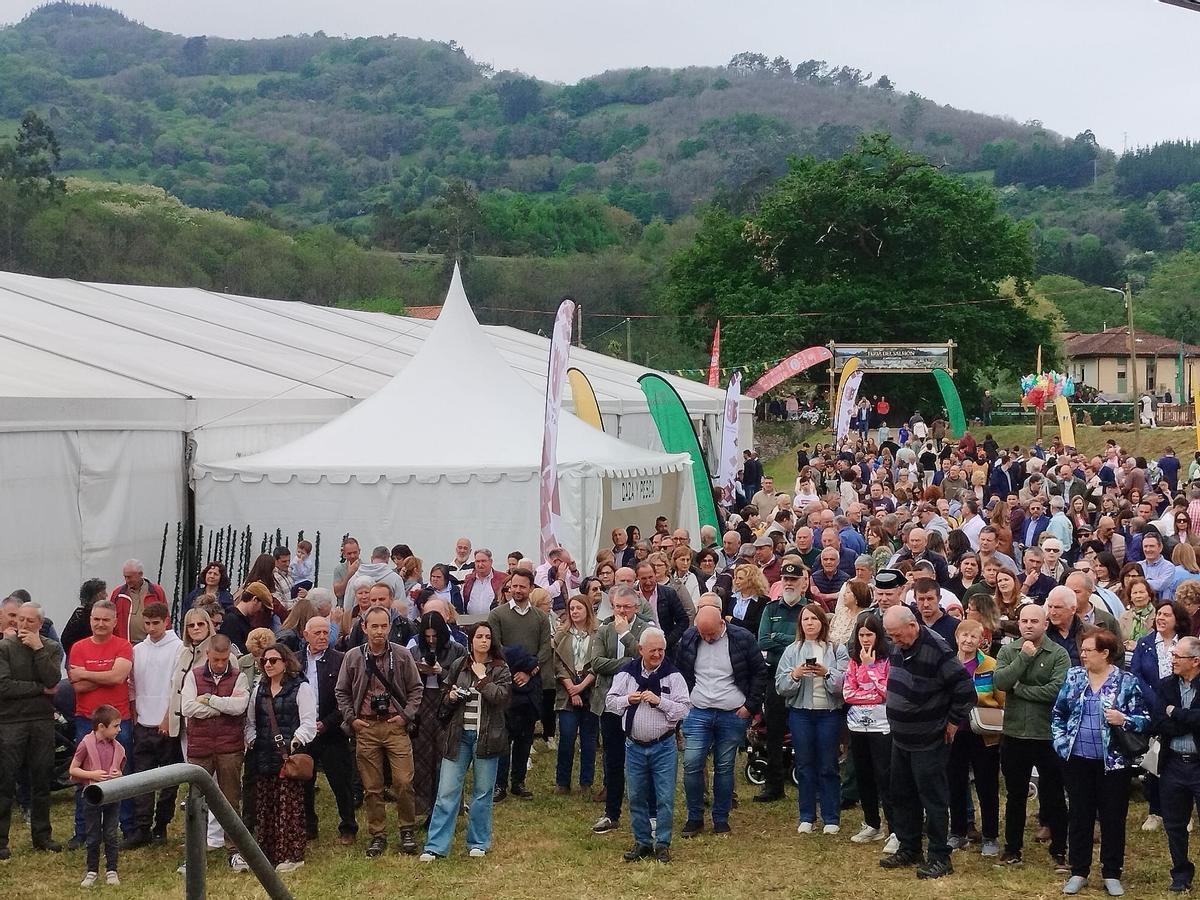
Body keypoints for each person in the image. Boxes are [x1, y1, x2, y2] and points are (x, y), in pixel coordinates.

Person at [1050, 627, 1148, 897]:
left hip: (1113, 764)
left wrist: (1123, 719)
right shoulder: (1074, 677)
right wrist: (1060, 744)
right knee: (1079, 816)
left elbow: (1144, 719)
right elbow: (1059, 713)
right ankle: (1078, 870)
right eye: (1082, 650)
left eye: (1088, 650)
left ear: (1105, 653)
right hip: (1077, 760)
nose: (1082, 655)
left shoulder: (1126, 682)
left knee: (1113, 818)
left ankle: (1112, 873)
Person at [878, 606, 975, 880]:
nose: (894, 641)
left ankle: (939, 855)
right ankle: (910, 847)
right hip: (901, 737)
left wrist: (953, 722)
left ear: (913, 625)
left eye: (898, 635)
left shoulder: (938, 649)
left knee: (932, 798)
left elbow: (965, 691)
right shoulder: (900, 643)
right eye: (890, 636)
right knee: (902, 794)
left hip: (929, 738)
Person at [335, 605, 423, 858]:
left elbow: (416, 689)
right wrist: (351, 719)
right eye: (374, 626)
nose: (379, 631)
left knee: (404, 782)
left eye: (384, 626)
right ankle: (378, 833)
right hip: (366, 726)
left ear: (390, 627)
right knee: (372, 787)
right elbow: (341, 691)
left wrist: (405, 715)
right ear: (364, 627)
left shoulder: (402, 655)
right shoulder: (352, 657)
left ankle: (407, 828)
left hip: (395, 726)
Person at [421, 622, 513, 861]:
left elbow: (501, 699)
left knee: (482, 792)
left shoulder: (501, 669)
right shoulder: (458, 666)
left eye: (488, 637)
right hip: (458, 736)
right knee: (447, 791)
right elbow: (443, 696)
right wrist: (450, 697)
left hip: (487, 737)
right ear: (470, 640)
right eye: (479, 636)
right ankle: (435, 846)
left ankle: (478, 842)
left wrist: (482, 680)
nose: (484, 640)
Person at [676, 602, 768, 837]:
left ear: (722, 623)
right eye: (702, 633)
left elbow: (759, 672)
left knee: (725, 767)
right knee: (691, 763)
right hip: (697, 710)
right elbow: (680, 671)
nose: (706, 638)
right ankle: (694, 817)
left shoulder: (742, 638)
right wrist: (683, 702)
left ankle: (720, 818)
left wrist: (750, 706)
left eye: (711, 633)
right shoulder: (689, 637)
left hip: (733, 712)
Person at [993, 599, 1070, 870]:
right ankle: (1012, 850)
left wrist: (1020, 689)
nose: (1028, 625)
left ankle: (1060, 850)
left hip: (1047, 735)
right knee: (1015, 795)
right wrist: (1024, 657)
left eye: (1034, 621)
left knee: (1054, 795)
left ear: (1045, 624)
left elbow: (1055, 691)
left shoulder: (1058, 654)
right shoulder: (1009, 651)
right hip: (1014, 733)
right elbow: (1001, 683)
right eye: (1024, 620)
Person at [605, 626, 692, 863]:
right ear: (641, 650)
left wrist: (660, 702)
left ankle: (662, 843)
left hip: (663, 747)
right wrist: (627, 699)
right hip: (634, 747)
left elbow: (684, 709)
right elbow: (610, 702)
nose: (658, 655)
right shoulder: (627, 674)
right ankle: (642, 841)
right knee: (636, 796)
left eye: (661, 650)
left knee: (664, 798)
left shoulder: (673, 676)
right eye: (653, 650)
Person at [775, 604, 849, 834]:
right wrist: (795, 675)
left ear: (822, 623)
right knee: (805, 764)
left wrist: (826, 672)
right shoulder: (791, 651)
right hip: (801, 714)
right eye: (805, 619)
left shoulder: (837, 649)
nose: (809, 623)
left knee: (828, 765)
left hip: (828, 714)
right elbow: (780, 686)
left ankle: (831, 818)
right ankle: (807, 816)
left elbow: (844, 685)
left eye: (814, 619)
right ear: (800, 624)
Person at [181, 633, 251, 870]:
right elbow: (188, 707)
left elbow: (239, 707)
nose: (221, 664)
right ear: (208, 654)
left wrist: (209, 699)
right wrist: (223, 706)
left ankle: (235, 851)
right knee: (195, 801)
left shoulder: (239, 676)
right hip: (200, 748)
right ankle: (192, 854)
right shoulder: (194, 675)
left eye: (224, 659)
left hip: (229, 748)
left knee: (231, 800)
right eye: (216, 659)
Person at [67, 599, 134, 849]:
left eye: (106, 620)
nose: (100, 624)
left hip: (119, 722)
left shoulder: (124, 645)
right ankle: (82, 831)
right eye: (96, 619)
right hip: (87, 720)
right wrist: (106, 677)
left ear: (115, 622)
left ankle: (126, 828)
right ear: (90, 620)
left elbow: (119, 676)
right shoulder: (78, 647)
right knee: (84, 774)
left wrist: (87, 673)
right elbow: (78, 685)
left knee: (121, 773)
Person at [0, 601, 64, 858]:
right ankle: (1, 841)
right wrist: (38, 689)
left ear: (40, 624)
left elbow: (52, 679)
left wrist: (38, 649)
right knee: (5, 782)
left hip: (41, 722)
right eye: (20, 619)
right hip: (10, 722)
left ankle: (42, 836)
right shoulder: (4, 648)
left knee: (41, 780)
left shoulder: (50, 648)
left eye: (29, 621)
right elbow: (3, 687)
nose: (23, 624)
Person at [246, 644, 317, 872]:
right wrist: (253, 740)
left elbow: (308, 722)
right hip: (263, 755)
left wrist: (293, 742)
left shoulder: (300, 688)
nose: (268, 664)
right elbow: (250, 721)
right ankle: (267, 853)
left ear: (285, 662)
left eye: (274, 660)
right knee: (266, 806)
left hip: (287, 757)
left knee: (289, 807)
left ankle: (292, 855)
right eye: (265, 661)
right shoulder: (259, 689)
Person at [487, 568, 551, 802]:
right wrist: (514, 672)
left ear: (531, 588)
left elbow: (545, 648)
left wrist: (530, 671)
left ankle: (519, 782)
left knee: (525, 735)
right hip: (505, 682)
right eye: (514, 586)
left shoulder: (541, 618)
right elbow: (496, 647)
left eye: (522, 586)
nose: (517, 590)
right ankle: (499, 784)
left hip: (531, 682)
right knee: (504, 736)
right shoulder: (497, 615)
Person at [590, 586, 651, 834]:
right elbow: (596, 663)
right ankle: (611, 813)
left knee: (641, 760)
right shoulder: (604, 629)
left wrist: (626, 635)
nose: (622, 611)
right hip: (609, 702)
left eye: (627, 607)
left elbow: (646, 659)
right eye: (618, 606)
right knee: (613, 759)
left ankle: (647, 813)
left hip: (638, 703)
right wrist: (626, 664)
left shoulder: (647, 629)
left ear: (636, 607)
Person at [125, 601, 183, 849]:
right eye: (146, 624)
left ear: (166, 621)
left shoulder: (178, 648)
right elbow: (133, 685)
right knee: (143, 778)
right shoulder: (138, 650)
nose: (150, 628)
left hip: (165, 722)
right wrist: (134, 712)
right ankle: (142, 828)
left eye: (155, 623)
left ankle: (161, 825)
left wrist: (167, 717)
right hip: (143, 721)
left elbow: (175, 685)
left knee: (169, 780)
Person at [947, 618, 1004, 857]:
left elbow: (1002, 699)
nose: (969, 640)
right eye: (965, 635)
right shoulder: (948, 663)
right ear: (957, 637)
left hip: (984, 734)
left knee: (986, 785)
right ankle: (957, 832)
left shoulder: (990, 665)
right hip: (954, 732)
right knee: (955, 783)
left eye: (974, 637)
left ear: (981, 641)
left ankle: (990, 836)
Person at [755, 562, 810, 802]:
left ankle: (809, 782)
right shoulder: (769, 609)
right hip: (776, 676)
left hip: (805, 678)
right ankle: (774, 785)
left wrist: (781, 637)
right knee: (774, 731)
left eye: (793, 580)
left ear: (803, 583)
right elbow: (763, 641)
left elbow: (810, 641)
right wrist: (794, 639)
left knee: (805, 731)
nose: (789, 583)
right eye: (785, 579)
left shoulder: (810, 609)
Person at [300, 616, 356, 845]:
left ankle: (348, 827)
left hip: (332, 732)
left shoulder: (341, 660)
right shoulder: (295, 661)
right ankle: (308, 826)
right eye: (318, 633)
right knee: (304, 781)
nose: (322, 637)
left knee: (341, 782)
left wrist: (328, 722)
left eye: (326, 633)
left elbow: (347, 698)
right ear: (306, 635)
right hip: (303, 732)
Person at [406, 610, 466, 819]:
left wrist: (442, 673)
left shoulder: (457, 650)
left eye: (435, 636)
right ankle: (421, 804)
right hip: (422, 703)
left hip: (445, 704)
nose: (431, 641)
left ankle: (449, 804)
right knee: (421, 754)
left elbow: (462, 680)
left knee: (445, 754)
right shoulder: (414, 650)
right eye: (427, 637)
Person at [844, 613, 895, 850]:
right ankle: (871, 823)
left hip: (882, 726)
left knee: (885, 777)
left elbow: (887, 692)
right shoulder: (853, 660)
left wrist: (871, 669)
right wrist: (870, 695)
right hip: (857, 725)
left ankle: (895, 828)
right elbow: (848, 693)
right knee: (863, 775)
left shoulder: (888, 660)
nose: (865, 640)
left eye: (869, 635)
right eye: (861, 635)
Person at [1154, 635, 1200, 892]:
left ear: (1195, 661)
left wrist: (1177, 713)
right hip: (1172, 764)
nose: (1172, 660)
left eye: (1177, 657)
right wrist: (1188, 719)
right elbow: (1159, 721)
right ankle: (1181, 874)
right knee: (1174, 824)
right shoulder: (1165, 686)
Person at [69, 705, 125, 888]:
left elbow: (119, 770)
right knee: (93, 834)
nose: (119, 730)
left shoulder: (119, 748)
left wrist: (118, 775)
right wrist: (91, 775)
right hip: (92, 796)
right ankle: (92, 870)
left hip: (112, 794)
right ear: (102, 727)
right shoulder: (86, 743)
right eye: (116, 726)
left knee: (111, 833)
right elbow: (73, 769)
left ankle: (112, 870)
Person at [552, 595, 601, 795]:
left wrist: (581, 687)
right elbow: (557, 663)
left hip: (590, 691)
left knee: (589, 740)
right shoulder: (562, 635)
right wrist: (572, 688)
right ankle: (562, 782)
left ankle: (586, 783)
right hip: (567, 692)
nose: (574, 612)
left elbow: (599, 663)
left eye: (579, 608)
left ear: (587, 610)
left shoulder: (598, 634)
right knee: (567, 737)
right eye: (571, 608)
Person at [109, 560, 168, 643]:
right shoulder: (118, 594)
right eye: (125, 577)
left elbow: (165, 617)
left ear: (140, 574)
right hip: (126, 644)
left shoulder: (156, 591)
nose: (126, 580)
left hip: (152, 643)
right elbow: (111, 619)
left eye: (129, 577)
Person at [462, 549, 506, 616]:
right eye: (477, 561)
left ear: (491, 562)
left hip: (494, 623)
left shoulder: (502, 578)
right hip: (471, 623)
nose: (480, 564)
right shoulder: (469, 579)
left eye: (483, 561)